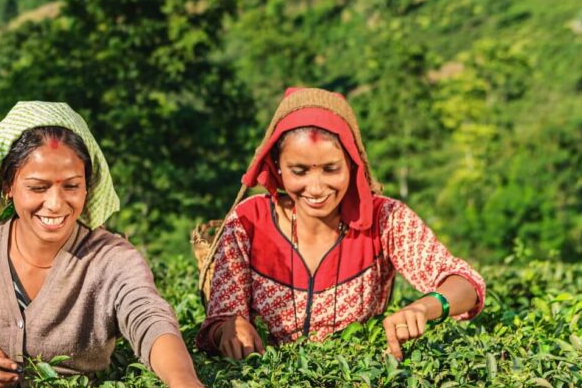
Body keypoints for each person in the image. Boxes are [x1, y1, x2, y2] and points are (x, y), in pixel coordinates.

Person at [0, 101, 245, 388]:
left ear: (87, 188)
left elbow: (149, 319)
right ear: (9, 185)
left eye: (71, 186)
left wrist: (185, 385)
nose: (56, 204)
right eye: (38, 188)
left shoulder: (111, 259)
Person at [198, 88, 486, 360]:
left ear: (352, 164)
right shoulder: (249, 221)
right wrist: (231, 330)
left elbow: (466, 284)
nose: (316, 187)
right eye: (299, 171)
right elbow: (218, 321)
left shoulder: (385, 218)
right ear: (277, 166)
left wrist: (425, 307)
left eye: (331, 169)